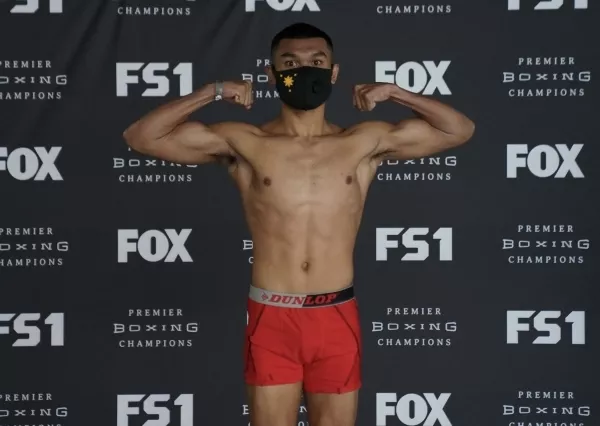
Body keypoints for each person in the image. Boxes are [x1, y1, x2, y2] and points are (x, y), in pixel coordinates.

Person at [123, 22, 474, 426]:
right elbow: (142, 136)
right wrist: (212, 91)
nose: (304, 70)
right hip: (273, 315)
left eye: (316, 62)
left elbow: (458, 129)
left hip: (335, 315)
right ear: (272, 75)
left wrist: (396, 93)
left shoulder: (362, 143)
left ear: (333, 73)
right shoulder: (246, 142)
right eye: (290, 63)